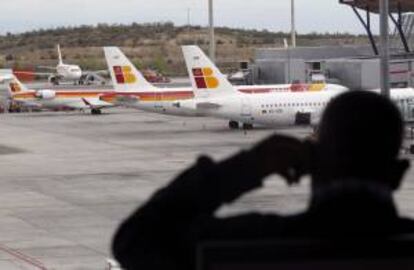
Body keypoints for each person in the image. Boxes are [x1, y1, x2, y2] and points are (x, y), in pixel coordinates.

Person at [112, 91, 414, 270]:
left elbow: (136, 240)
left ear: (310, 162)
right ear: (400, 172)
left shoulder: (253, 243)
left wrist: (247, 166)